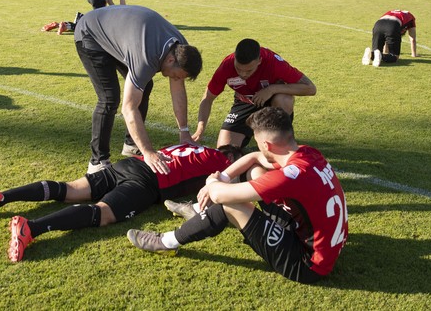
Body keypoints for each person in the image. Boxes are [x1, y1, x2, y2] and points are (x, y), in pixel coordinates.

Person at [127, 107, 348, 284]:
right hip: (320, 241)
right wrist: (222, 176)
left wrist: (212, 182)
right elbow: (253, 158)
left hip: (308, 264)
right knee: (255, 172)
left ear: (266, 144)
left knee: (231, 204)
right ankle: (195, 211)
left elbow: (222, 196)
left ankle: (166, 242)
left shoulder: (289, 176)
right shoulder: (307, 153)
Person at [0, 143, 242, 262]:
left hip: (132, 164)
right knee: (103, 213)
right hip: (146, 183)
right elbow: (217, 188)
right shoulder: (221, 163)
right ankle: (31, 228)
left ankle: (2, 197)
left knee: (70, 189)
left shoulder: (199, 148)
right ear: (232, 158)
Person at [74, 5, 203, 174]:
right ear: (171, 60)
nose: (176, 79)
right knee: (109, 98)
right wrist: (148, 152)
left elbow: (178, 91)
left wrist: (184, 132)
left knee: (145, 84)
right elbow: (129, 108)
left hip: (121, 34)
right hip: (90, 34)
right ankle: (98, 161)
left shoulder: (181, 49)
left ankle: (131, 144)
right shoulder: (146, 59)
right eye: (177, 75)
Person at [192, 38, 316, 149]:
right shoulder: (226, 66)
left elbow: (310, 88)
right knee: (225, 150)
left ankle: (282, 141)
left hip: (272, 100)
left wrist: (271, 89)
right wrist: (200, 129)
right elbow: (208, 98)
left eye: (249, 70)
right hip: (245, 101)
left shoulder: (274, 63)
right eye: (238, 69)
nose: (243, 74)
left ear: (259, 61)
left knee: (284, 99)